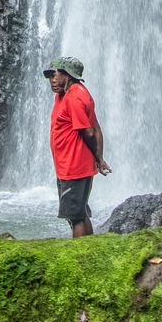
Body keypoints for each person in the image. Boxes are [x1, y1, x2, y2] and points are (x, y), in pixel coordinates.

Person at [43, 56, 110, 238]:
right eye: (49, 76)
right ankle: (89, 248)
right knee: (78, 212)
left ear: (68, 75)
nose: (52, 80)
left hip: (74, 166)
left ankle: (80, 257)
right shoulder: (67, 94)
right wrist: (99, 158)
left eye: (55, 75)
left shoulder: (74, 97)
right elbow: (96, 128)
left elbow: (89, 132)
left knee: (75, 216)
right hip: (68, 165)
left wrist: (98, 159)